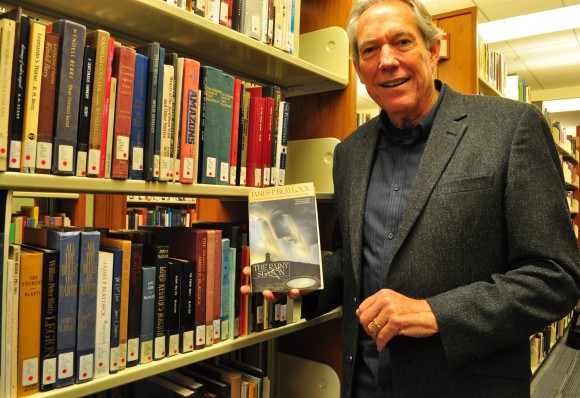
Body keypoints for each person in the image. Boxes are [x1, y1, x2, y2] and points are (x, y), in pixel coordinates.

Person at [242, 0, 580, 396]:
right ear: (358, 69)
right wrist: (301, 277)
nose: (387, 60)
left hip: (461, 385)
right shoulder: (349, 154)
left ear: (433, 50)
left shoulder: (510, 128)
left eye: (402, 42)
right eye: (370, 49)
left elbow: (555, 276)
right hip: (364, 383)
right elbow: (352, 263)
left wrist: (434, 313)